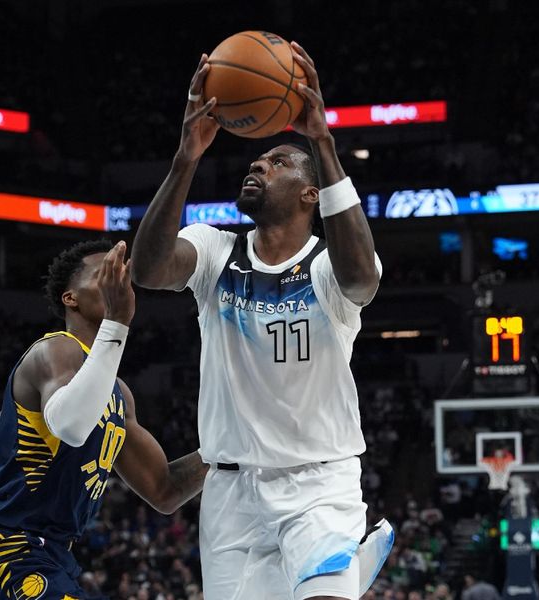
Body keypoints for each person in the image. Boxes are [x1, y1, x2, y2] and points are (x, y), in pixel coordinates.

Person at [131, 43, 393, 600]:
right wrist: (185, 159)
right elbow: (149, 270)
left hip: (318, 485)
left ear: (309, 193)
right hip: (231, 492)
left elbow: (362, 281)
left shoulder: (328, 264)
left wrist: (321, 140)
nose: (257, 164)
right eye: (256, 159)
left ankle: (338, 569)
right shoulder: (214, 251)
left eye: (276, 162)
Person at [0, 240, 208, 600]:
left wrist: (226, 446)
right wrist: (118, 323)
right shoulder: (54, 350)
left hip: (54, 554)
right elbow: (71, 426)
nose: (117, 280)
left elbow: (164, 490)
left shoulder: (120, 393)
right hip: (6, 546)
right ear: (70, 298)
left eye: (122, 274)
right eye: (104, 273)